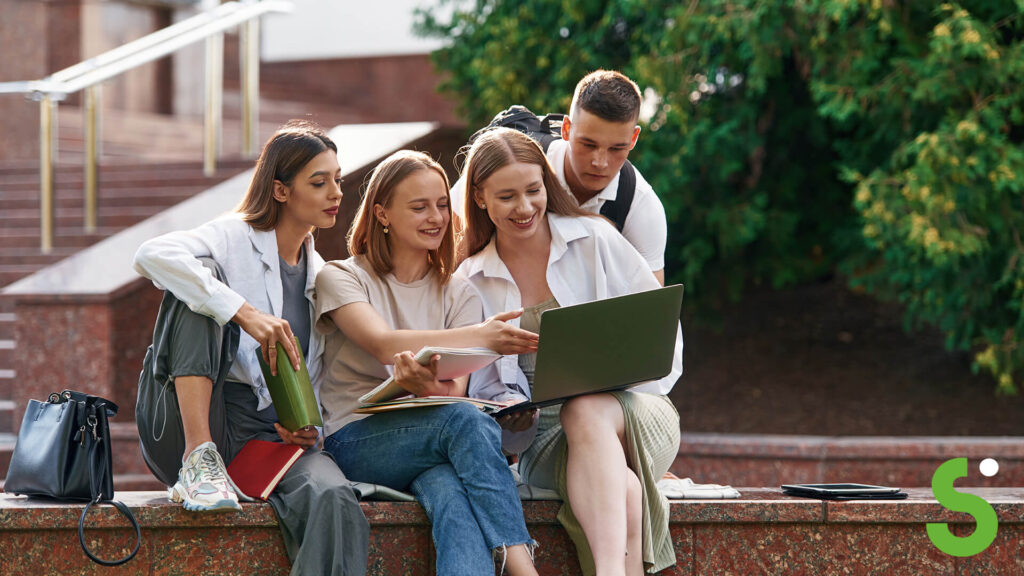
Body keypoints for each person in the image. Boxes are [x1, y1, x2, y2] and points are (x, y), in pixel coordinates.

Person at [133, 120, 369, 575]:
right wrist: (240, 310)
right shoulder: (232, 238)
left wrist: (307, 427)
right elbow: (150, 254)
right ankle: (199, 461)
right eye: (319, 182)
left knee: (334, 497)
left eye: (337, 180)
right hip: (199, 419)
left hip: (268, 440)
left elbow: (312, 376)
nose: (335, 192)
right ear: (280, 191)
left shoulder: (320, 274)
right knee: (200, 282)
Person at [457, 127, 683, 576]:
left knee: (586, 408)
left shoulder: (593, 239)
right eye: (506, 197)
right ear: (480, 198)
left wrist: (621, 373)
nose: (524, 208)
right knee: (627, 490)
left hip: (635, 410)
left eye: (533, 190)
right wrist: (507, 411)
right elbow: (477, 386)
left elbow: (662, 334)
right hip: (543, 436)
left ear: (546, 184)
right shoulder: (470, 279)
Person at [313, 150, 539, 576]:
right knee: (466, 424)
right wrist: (482, 336)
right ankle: (524, 568)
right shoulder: (341, 276)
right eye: (419, 207)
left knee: (453, 496)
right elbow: (382, 344)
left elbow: (452, 391)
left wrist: (424, 386)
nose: (435, 217)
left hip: (435, 441)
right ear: (382, 213)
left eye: (440, 205)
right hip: (353, 441)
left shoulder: (460, 294)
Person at [450, 69, 668, 284]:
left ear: (634, 138)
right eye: (588, 144)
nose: (600, 162)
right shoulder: (515, 160)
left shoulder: (639, 206)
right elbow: (446, 254)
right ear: (566, 129)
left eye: (616, 148)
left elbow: (654, 309)